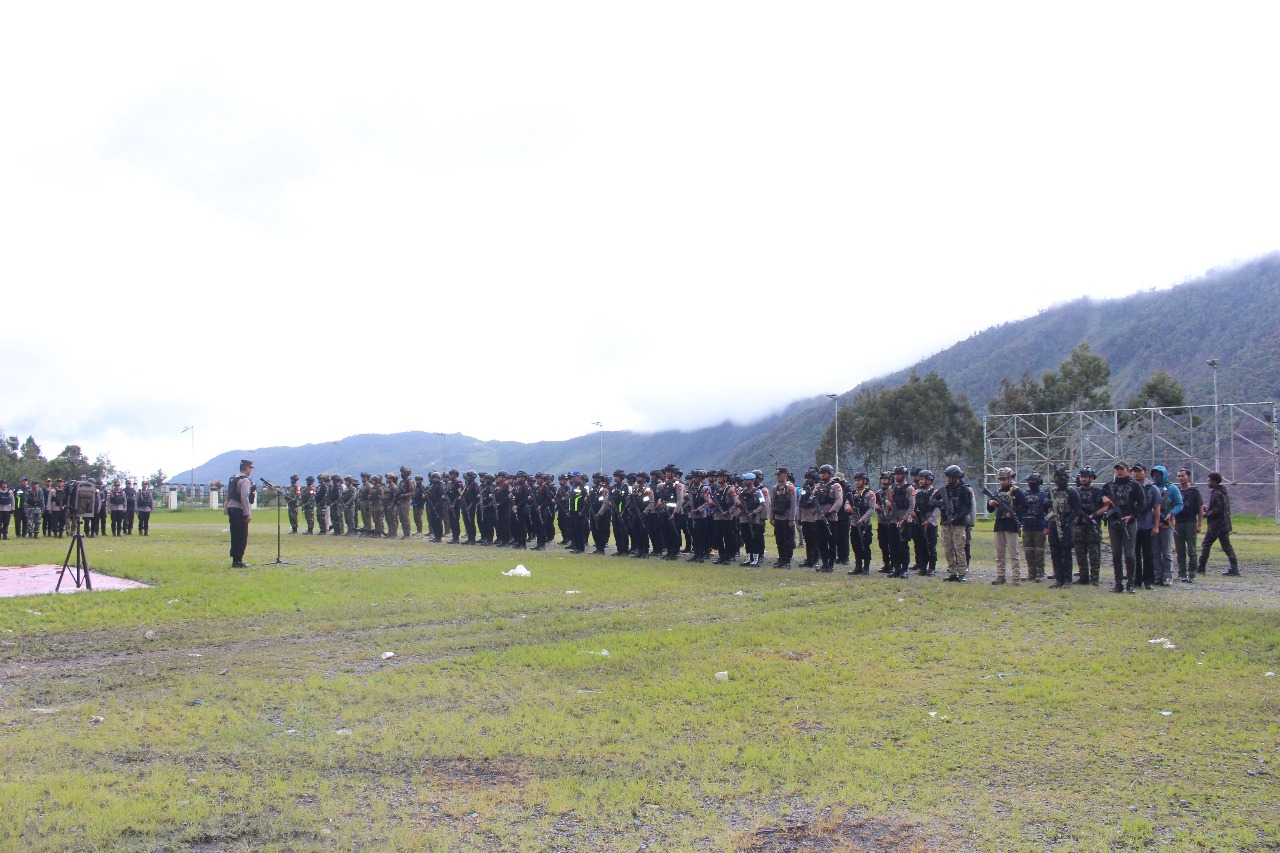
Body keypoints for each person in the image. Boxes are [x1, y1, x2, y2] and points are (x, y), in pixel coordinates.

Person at [1101, 461, 1145, 593]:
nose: (1119, 472)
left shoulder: (1135, 485)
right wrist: (1104, 498)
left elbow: (1142, 503)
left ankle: (1130, 583)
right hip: (1114, 523)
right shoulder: (1109, 485)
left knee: (1130, 554)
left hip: (1129, 522)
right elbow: (1100, 495)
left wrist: (1132, 516)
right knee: (1115, 553)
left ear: (1128, 470)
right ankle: (1118, 583)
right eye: (1117, 469)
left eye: (1121, 469)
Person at [932, 465, 972, 581]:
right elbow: (933, 500)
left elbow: (968, 507)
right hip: (946, 522)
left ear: (956, 477)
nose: (948, 479)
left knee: (959, 548)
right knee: (948, 548)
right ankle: (952, 572)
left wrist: (958, 517)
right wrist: (943, 506)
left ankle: (962, 572)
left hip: (959, 524)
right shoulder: (945, 489)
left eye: (950, 477)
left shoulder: (964, 489)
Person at [986, 467, 1024, 585]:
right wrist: (990, 503)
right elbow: (990, 509)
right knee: (999, 552)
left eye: (1004, 479)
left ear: (1010, 479)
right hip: (999, 524)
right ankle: (1000, 575)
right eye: (1000, 479)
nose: (1002, 481)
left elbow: (1024, 508)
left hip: (1011, 525)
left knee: (1013, 553)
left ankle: (1016, 577)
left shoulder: (1017, 492)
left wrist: (1013, 514)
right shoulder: (998, 492)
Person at [1198, 472, 1239, 575]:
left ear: (1214, 481)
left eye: (1209, 481)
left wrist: (1205, 514)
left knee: (1206, 544)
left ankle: (1201, 568)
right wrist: (1209, 509)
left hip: (1216, 525)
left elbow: (1218, 510)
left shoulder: (1216, 493)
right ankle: (1234, 569)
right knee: (1227, 546)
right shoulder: (1223, 492)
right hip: (1224, 525)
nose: (1207, 483)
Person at [1046, 465, 1080, 588]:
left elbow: (1077, 510)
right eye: (1059, 476)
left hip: (1066, 525)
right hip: (1053, 524)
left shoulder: (1072, 492)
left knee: (1066, 552)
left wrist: (1067, 520)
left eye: (1063, 477)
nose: (1061, 479)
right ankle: (1058, 579)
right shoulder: (1051, 492)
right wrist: (1047, 504)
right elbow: (1045, 508)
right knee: (1055, 551)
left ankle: (1067, 579)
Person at [1073, 467, 1105, 585]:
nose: (1083, 479)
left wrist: (1095, 515)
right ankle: (1083, 577)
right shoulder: (1076, 492)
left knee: (1094, 554)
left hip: (1093, 527)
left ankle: (1095, 578)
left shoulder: (1098, 492)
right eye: (1082, 477)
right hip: (1079, 526)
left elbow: (1106, 506)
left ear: (1091, 478)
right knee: (1080, 553)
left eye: (1086, 477)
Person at [1150, 465, 1182, 585]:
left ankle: (1167, 575)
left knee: (1166, 550)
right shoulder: (1152, 488)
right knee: (1155, 550)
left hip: (1167, 523)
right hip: (1153, 523)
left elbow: (1179, 504)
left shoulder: (1172, 488)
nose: (1156, 476)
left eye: (1159, 474)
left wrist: (1171, 514)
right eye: (1154, 474)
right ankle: (1157, 575)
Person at [1131, 464, 1161, 590]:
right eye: (1134, 472)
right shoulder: (1129, 488)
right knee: (1133, 554)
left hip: (1147, 525)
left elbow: (1157, 509)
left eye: (1139, 471)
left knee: (1148, 554)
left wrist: (1155, 526)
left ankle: (1148, 581)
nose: (1136, 474)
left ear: (1145, 473)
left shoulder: (1152, 489)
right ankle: (1136, 580)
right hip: (1133, 526)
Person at [1019, 473, 1050, 582]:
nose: (1032, 483)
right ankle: (1031, 573)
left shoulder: (1044, 495)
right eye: (1030, 481)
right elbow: (1020, 510)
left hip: (1039, 527)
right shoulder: (1024, 494)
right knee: (1028, 551)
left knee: (1039, 552)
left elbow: (1048, 512)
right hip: (1027, 526)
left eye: (1034, 481)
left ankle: (1040, 574)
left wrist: (1047, 527)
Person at [1173, 468, 1203, 582]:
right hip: (1178, 523)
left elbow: (1200, 509)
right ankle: (1181, 573)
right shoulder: (1176, 491)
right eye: (1179, 476)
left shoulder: (1194, 492)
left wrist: (1199, 524)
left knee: (1192, 550)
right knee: (1180, 550)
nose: (1180, 478)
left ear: (1188, 477)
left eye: (1182, 476)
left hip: (1190, 522)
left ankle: (1192, 574)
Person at [225, 459, 254, 568]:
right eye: (250, 468)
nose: (250, 470)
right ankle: (238, 560)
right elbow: (244, 498)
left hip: (232, 508)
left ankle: (235, 559)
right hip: (239, 510)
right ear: (247, 468)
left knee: (234, 534)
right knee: (242, 535)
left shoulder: (234, 478)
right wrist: (248, 513)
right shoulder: (245, 480)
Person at [847, 471, 876, 575]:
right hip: (854, 523)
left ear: (864, 481)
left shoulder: (870, 493)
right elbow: (847, 504)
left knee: (865, 545)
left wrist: (863, 519)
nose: (857, 482)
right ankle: (858, 565)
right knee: (855, 545)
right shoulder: (853, 493)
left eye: (859, 480)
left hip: (865, 525)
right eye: (855, 480)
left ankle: (866, 567)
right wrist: (848, 507)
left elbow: (871, 509)